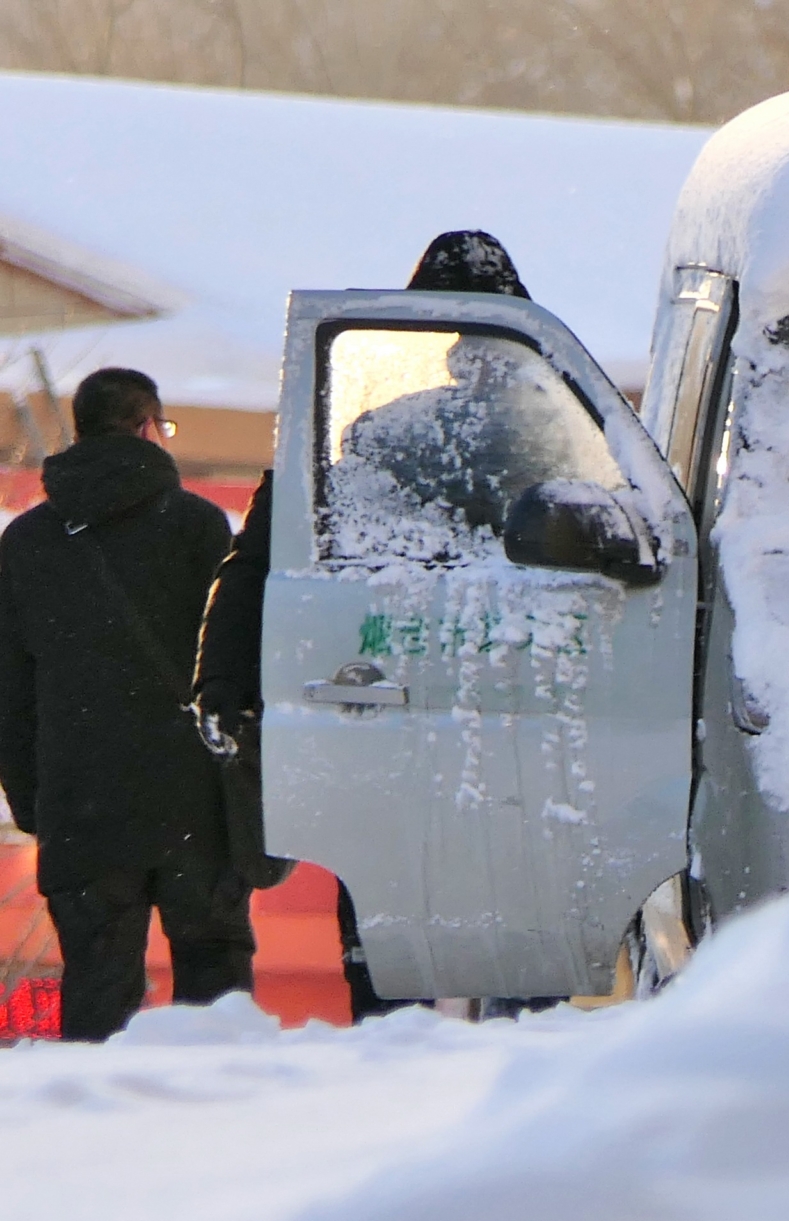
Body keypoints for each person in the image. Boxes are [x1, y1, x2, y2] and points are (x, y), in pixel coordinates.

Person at [195, 230, 535, 1020]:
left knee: (387, 926)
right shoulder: (551, 439)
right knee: (514, 926)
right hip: (508, 709)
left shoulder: (376, 432)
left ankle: (398, 1043)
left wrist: (221, 680)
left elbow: (257, 564)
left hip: (386, 701)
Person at [0, 368, 252, 1040]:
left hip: (82, 805)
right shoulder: (200, 527)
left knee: (97, 994)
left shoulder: (25, 544)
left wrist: (38, 806)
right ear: (146, 427)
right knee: (215, 987)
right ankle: (226, 1132)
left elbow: (11, 695)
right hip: (195, 804)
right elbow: (235, 665)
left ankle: (98, 1134)